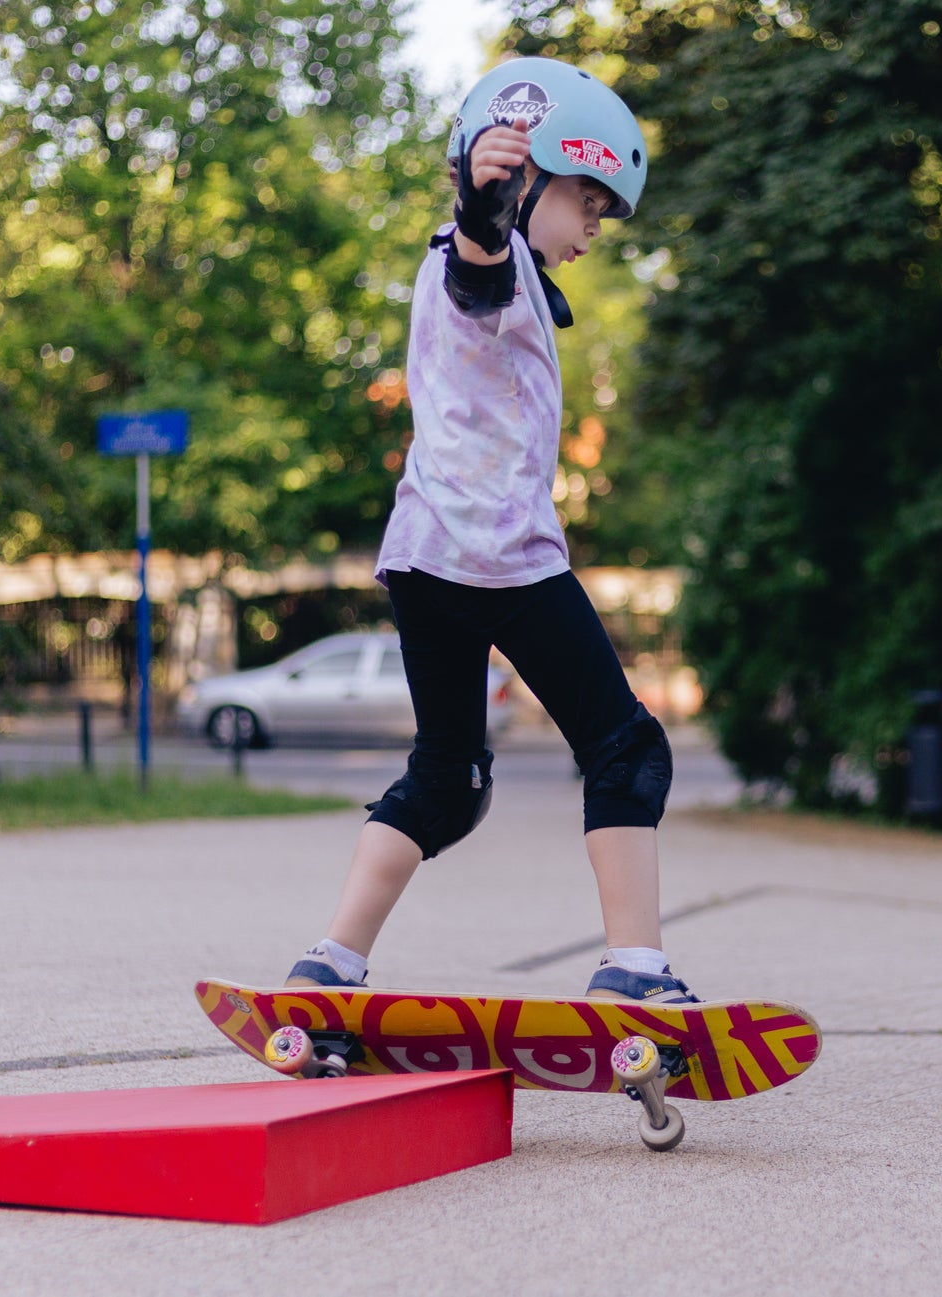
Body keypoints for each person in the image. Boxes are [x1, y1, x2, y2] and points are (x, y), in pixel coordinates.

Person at [284, 56, 695, 1004]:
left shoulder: (482, 272)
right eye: (589, 203)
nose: (595, 226)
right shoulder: (489, 259)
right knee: (626, 747)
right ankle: (636, 970)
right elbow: (480, 258)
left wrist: (487, 214)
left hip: (425, 555)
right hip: (501, 555)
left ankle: (328, 967)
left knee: (447, 777)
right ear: (534, 178)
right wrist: (487, 203)